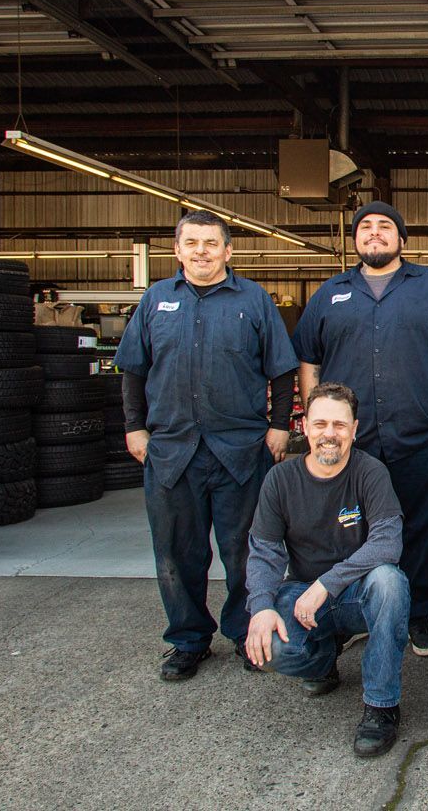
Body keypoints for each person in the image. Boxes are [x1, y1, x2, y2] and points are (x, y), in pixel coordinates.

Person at [291, 200, 428, 659]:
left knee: (422, 526)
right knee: (350, 528)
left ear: (401, 238)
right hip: (352, 442)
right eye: (365, 227)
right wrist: (318, 426)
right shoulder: (330, 293)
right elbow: (308, 360)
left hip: (424, 435)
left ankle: (418, 614)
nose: (374, 232)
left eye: (384, 226)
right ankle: (355, 611)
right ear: (355, 238)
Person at [115, 209, 298, 681]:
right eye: (192, 243)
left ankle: (244, 632)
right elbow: (133, 369)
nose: (201, 251)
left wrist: (280, 426)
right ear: (177, 250)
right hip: (172, 451)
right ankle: (188, 639)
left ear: (227, 251)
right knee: (177, 554)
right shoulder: (156, 300)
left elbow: (282, 370)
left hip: (240, 450)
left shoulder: (253, 300)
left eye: (211, 243)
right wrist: (134, 427)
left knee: (245, 551)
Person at [244, 382, 409, 758]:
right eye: (320, 424)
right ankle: (322, 661)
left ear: (354, 429)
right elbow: (264, 553)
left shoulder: (370, 472)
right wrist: (262, 607)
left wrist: (327, 584)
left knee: (390, 582)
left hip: (355, 593)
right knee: (271, 649)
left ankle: (381, 706)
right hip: (302, 594)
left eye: (339, 425)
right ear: (304, 426)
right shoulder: (280, 479)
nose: (329, 434)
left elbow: (388, 544)